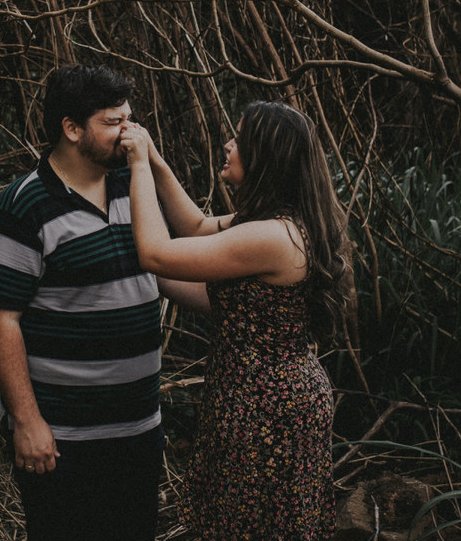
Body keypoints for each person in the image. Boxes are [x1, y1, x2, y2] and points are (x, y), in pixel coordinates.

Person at [120, 101, 351, 541]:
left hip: (269, 410)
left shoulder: (271, 236)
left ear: (266, 157)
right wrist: (155, 158)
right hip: (254, 399)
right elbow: (194, 227)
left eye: (240, 139)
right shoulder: (270, 223)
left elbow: (156, 253)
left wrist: (138, 166)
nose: (227, 144)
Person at [0, 64, 163, 541]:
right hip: (66, 439)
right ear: (72, 129)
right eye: (113, 122)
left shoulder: (132, 186)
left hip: (139, 429)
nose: (130, 133)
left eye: (130, 118)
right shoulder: (23, 206)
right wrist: (27, 421)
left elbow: (166, 269)